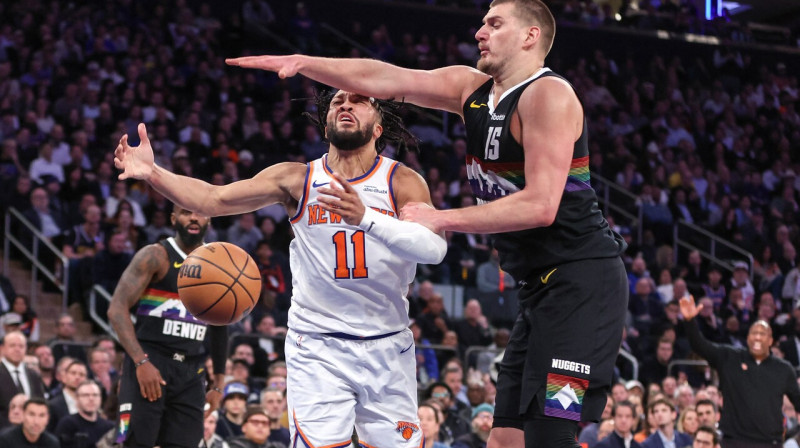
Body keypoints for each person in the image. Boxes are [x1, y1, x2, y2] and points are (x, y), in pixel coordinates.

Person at [225, 1, 628, 446]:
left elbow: (541, 205)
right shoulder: (470, 89)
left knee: (551, 435)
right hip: (538, 288)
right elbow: (386, 77)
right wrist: (308, 64)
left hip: (582, 283)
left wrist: (441, 217)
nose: (480, 32)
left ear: (530, 36)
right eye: (481, 23)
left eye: (494, 24)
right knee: (504, 440)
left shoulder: (547, 95)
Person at [114, 86, 447, 447]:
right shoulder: (298, 179)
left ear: (379, 128)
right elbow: (213, 198)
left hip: (387, 342)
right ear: (325, 127)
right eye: (337, 101)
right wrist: (153, 173)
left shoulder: (402, 181)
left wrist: (365, 217)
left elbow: (433, 249)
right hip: (318, 345)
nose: (346, 105)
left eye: (359, 101)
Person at [106, 204, 228, 448]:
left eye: (200, 212)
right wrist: (141, 362)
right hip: (150, 363)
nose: (194, 217)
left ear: (209, 220)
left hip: (191, 370)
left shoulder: (219, 264)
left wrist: (218, 383)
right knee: (134, 443)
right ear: (174, 218)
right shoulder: (155, 255)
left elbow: (220, 324)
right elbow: (116, 310)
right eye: (186, 212)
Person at [680, 296, 800, 447]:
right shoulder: (729, 357)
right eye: (753, 333)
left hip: (770, 443)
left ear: (770, 340)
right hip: (734, 441)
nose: (757, 337)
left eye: (762, 334)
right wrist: (690, 321)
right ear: (748, 338)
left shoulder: (784, 369)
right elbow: (700, 346)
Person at [0, 331, 45, 428]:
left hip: (31, 431)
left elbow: (40, 402)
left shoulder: (34, 375)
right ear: (2, 348)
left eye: (21, 346)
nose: (17, 349)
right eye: (12, 345)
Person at [54, 380, 114, 448]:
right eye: (86, 395)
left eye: (95, 395)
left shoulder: (110, 427)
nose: (91, 399)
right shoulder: (67, 424)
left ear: (100, 399)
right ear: (77, 399)